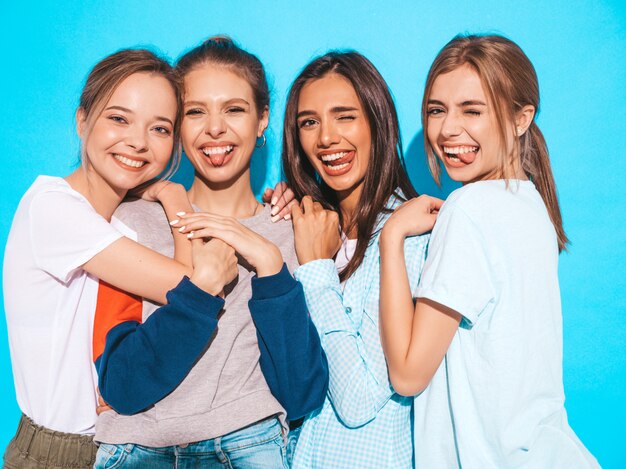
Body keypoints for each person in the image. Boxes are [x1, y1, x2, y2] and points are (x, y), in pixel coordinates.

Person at [92, 36, 328, 468]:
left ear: (262, 120)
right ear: (177, 125)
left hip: (249, 446)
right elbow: (122, 387)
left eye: (234, 109)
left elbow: (300, 395)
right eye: (196, 111)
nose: (215, 128)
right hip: (136, 449)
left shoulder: (295, 232)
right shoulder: (132, 222)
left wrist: (272, 268)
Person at [378, 34, 600, 468]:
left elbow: (407, 374)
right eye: (436, 110)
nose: (447, 129)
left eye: (472, 110)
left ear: (521, 119)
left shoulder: (471, 208)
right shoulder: (532, 203)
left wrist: (391, 238)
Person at [1, 48, 202, 469]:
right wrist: (174, 194)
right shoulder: (53, 209)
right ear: (82, 119)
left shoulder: (123, 226)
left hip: (123, 448)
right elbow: (188, 286)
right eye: (119, 118)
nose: (138, 141)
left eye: (160, 129)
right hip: (57, 454)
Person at [281, 51, 426, 469]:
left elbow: (359, 399)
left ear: (378, 123)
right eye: (309, 122)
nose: (326, 138)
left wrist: (315, 269)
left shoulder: (407, 238)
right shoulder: (308, 226)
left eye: (344, 116)